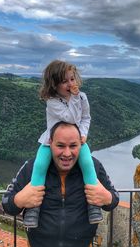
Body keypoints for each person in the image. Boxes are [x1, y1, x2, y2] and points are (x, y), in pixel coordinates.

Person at [1, 121, 119, 247]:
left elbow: (114, 198)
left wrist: (107, 197)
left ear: (81, 144)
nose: (67, 153)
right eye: (61, 146)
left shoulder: (94, 167)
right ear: (50, 143)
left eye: (73, 146)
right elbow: (6, 203)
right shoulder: (33, 168)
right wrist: (19, 200)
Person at [23, 60, 101, 228]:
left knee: (88, 164)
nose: (70, 84)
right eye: (64, 81)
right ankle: (33, 208)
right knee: (40, 165)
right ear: (54, 84)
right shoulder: (52, 101)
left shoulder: (82, 97)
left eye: (72, 79)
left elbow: (86, 117)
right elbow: (71, 118)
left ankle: (93, 205)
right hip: (52, 141)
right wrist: (74, 97)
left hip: (75, 141)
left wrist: (84, 134)